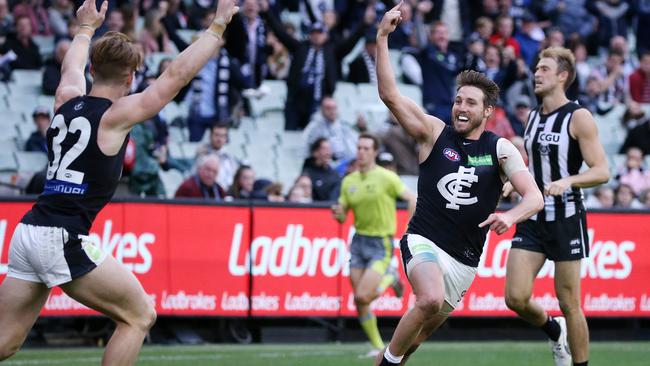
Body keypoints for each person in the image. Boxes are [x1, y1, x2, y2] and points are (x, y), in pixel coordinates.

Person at [0, 0, 239, 364]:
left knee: (5, 344)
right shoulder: (115, 117)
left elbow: (70, 68)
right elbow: (174, 77)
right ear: (130, 78)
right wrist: (217, 27)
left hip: (29, 231)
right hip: (62, 237)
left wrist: (84, 28)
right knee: (140, 315)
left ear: (94, 69)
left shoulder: (66, 101)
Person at [374, 4, 544, 366]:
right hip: (423, 240)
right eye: (458, 100)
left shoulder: (500, 148)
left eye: (470, 102)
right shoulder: (434, 133)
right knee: (428, 299)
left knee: (415, 340)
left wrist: (510, 216)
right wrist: (383, 37)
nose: (460, 107)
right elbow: (390, 95)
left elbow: (534, 197)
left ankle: (389, 360)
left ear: (487, 112)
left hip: (464, 261)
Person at [504, 46, 610, 366]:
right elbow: (536, 166)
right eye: (537, 68)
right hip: (534, 216)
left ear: (562, 76)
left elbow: (603, 170)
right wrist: (516, 181)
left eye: (545, 69)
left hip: (566, 217)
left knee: (569, 301)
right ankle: (554, 330)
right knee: (516, 297)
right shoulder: (534, 117)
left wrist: (569, 181)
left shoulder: (579, 117)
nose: (537, 73)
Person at [332, 133, 416, 358]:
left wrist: (408, 226)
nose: (361, 152)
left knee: (362, 296)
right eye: (359, 148)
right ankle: (378, 346)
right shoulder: (348, 181)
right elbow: (342, 216)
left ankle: (391, 278)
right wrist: (338, 213)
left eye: (366, 148)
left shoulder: (386, 177)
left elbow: (412, 198)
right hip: (359, 242)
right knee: (360, 301)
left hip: (381, 243)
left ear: (375, 152)